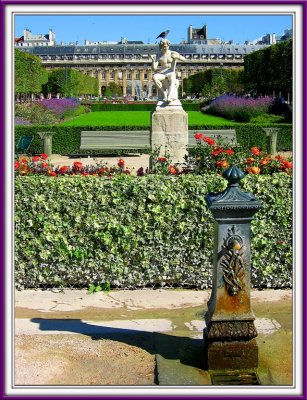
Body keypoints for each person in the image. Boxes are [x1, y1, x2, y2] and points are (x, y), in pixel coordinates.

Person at [149, 39, 186, 103]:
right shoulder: (159, 55)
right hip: (162, 73)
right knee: (154, 77)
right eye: (164, 46)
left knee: (172, 77)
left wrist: (177, 57)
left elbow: (184, 59)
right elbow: (154, 68)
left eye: (166, 46)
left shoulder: (172, 53)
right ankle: (164, 94)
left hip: (171, 72)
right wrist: (153, 61)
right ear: (161, 46)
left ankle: (169, 96)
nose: (165, 47)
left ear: (168, 46)